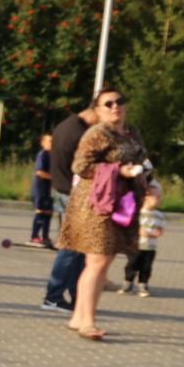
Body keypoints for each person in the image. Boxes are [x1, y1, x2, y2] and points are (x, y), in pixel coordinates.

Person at [59, 90, 150, 341]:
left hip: (122, 204)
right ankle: (87, 321)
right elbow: (80, 166)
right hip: (96, 205)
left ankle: (78, 316)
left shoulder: (131, 132)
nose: (114, 107)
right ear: (97, 109)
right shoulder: (96, 133)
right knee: (97, 262)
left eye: (119, 101)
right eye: (107, 104)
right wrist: (120, 170)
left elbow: (143, 159)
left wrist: (147, 179)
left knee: (103, 262)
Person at [42, 103, 98, 311]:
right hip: (73, 195)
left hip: (65, 191)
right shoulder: (79, 133)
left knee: (78, 249)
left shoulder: (66, 126)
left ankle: (75, 296)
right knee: (72, 248)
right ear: (95, 111)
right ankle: (54, 295)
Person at [124, 185, 165, 296]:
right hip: (137, 245)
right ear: (146, 198)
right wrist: (138, 231)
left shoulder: (159, 215)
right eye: (156, 197)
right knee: (132, 264)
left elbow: (161, 229)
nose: (159, 199)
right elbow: (132, 226)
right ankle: (128, 282)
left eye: (160, 197)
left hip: (150, 247)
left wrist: (157, 233)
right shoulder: (138, 213)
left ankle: (143, 284)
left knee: (146, 267)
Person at [30, 132, 55, 245]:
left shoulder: (54, 155)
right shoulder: (43, 154)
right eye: (49, 141)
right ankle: (34, 236)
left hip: (49, 189)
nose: (52, 143)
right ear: (43, 143)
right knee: (41, 211)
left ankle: (45, 236)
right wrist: (54, 178)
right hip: (40, 188)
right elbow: (39, 172)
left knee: (49, 212)